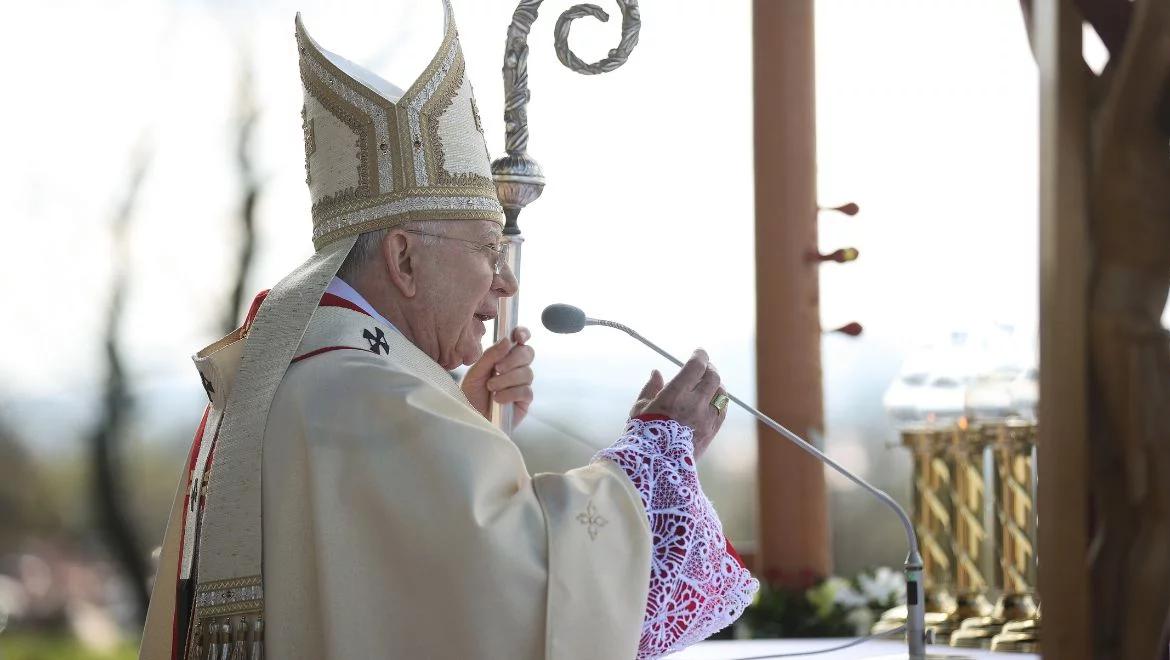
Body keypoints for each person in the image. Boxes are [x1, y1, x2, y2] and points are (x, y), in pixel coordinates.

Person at [139, 2, 756, 658]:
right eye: (489, 250)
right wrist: (657, 457)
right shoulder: (368, 395)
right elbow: (528, 595)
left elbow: (396, 592)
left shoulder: (309, 369)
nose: (506, 283)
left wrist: (468, 423)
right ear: (404, 259)